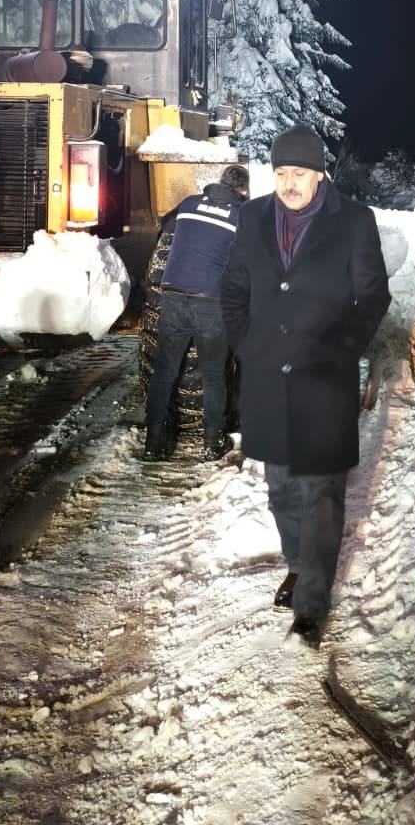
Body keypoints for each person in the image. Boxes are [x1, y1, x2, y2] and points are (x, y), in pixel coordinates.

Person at [220, 123, 390, 647]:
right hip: (268, 377)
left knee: (321, 491)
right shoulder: (251, 217)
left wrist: (340, 351)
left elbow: (374, 297)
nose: (289, 184)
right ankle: (297, 564)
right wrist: (247, 345)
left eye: (299, 173)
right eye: (280, 173)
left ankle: (312, 601)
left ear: (320, 175)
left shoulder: (355, 222)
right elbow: (233, 287)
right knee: (280, 487)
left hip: (324, 379)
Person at [144, 162, 251, 462]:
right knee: (214, 376)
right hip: (211, 303)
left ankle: (152, 444)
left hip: (173, 296)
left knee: (164, 371)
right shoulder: (242, 216)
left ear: (219, 182)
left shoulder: (189, 204)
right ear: (242, 191)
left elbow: (165, 230)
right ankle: (211, 445)